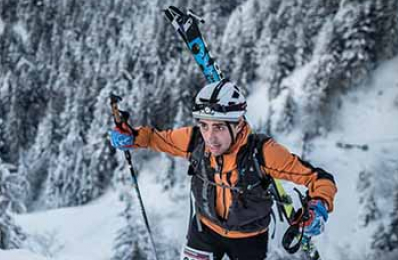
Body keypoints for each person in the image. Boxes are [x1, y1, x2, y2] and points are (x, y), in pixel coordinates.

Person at [109, 79, 337, 260]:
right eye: (204, 125)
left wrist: (318, 207)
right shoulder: (195, 140)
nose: (210, 137)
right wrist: (132, 137)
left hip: (249, 239)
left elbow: (320, 180)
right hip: (203, 230)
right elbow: (156, 139)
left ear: (238, 124)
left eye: (218, 127)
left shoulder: (263, 153)